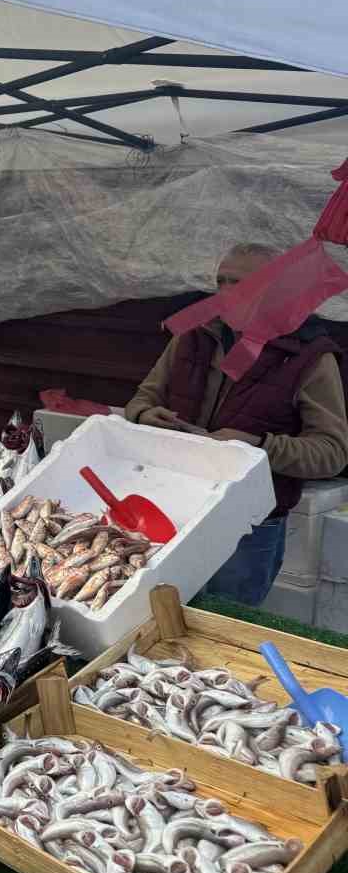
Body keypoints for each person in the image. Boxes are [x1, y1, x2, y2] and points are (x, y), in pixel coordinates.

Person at [125, 243, 348, 605]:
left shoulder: (310, 358)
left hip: (250, 523)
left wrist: (257, 445)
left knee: (229, 620)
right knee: (159, 610)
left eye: (241, 284)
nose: (227, 293)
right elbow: (141, 400)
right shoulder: (192, 336)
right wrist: (145, 416)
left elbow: (332, 453)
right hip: (176, 503)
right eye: (222, 282)